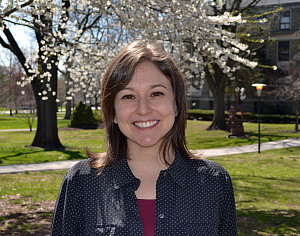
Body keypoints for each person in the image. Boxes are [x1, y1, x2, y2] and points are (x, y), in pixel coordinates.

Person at [51, 40, 237, 235]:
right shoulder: (82, 183)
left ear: (176, 104)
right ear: (113, 111)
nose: (143, 109)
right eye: (128, 96)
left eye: (156, 93)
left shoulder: (214, 182)